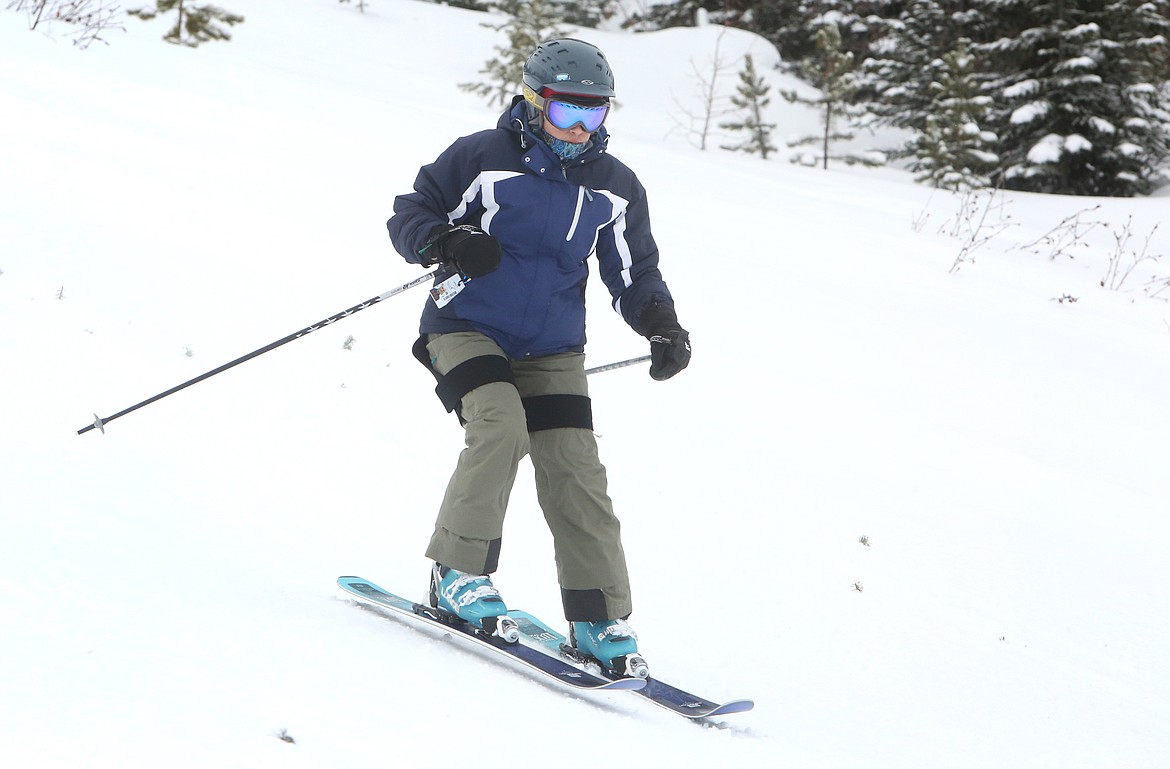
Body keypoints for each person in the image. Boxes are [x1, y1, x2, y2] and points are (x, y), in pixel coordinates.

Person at [385, 38, 690, 678]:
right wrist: (447, 240)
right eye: (566, 113)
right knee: (500, 426)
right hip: (464, 325)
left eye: (595, 115)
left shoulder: (615, 186)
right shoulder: (483, 156)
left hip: (552, 345)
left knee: (574, 462)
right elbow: (412, 211)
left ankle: (597, 613)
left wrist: (659, 323)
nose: (580, 130)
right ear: (533, 102)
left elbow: (634, 272)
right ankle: (457, 574)